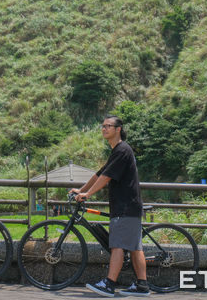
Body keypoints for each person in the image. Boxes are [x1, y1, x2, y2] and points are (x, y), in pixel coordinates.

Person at [71, 115, 150, 297]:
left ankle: (109, 284)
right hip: (126, 205)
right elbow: (99, 174)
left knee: (118, 246)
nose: (104, 129)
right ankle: (142, 285)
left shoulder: (123, 150)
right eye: (103, 126)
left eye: (108, 126)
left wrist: (88, 194)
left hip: (125, 206)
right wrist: (81, 190)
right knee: (134, 247)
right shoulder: (117, 151)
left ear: (118, 129)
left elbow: (106, 178)